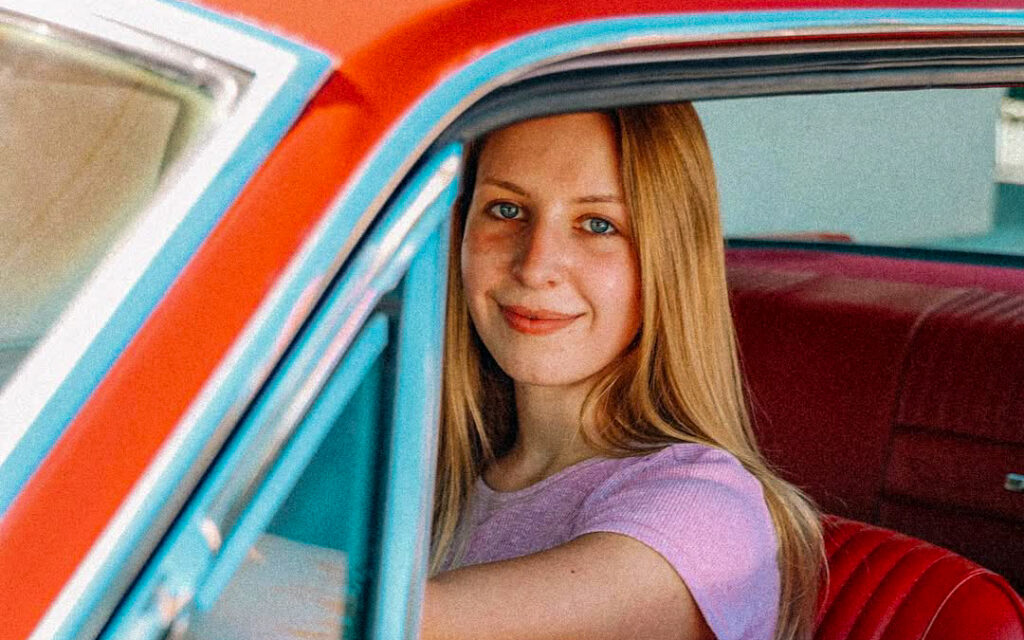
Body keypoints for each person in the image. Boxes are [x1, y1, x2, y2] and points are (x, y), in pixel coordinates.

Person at [419, 103, 824, 640]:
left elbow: (398, 625)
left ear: (667, 262)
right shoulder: (426, 468)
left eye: (598, 224)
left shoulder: (705, 510)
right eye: (507, 209)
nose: (535, 266)